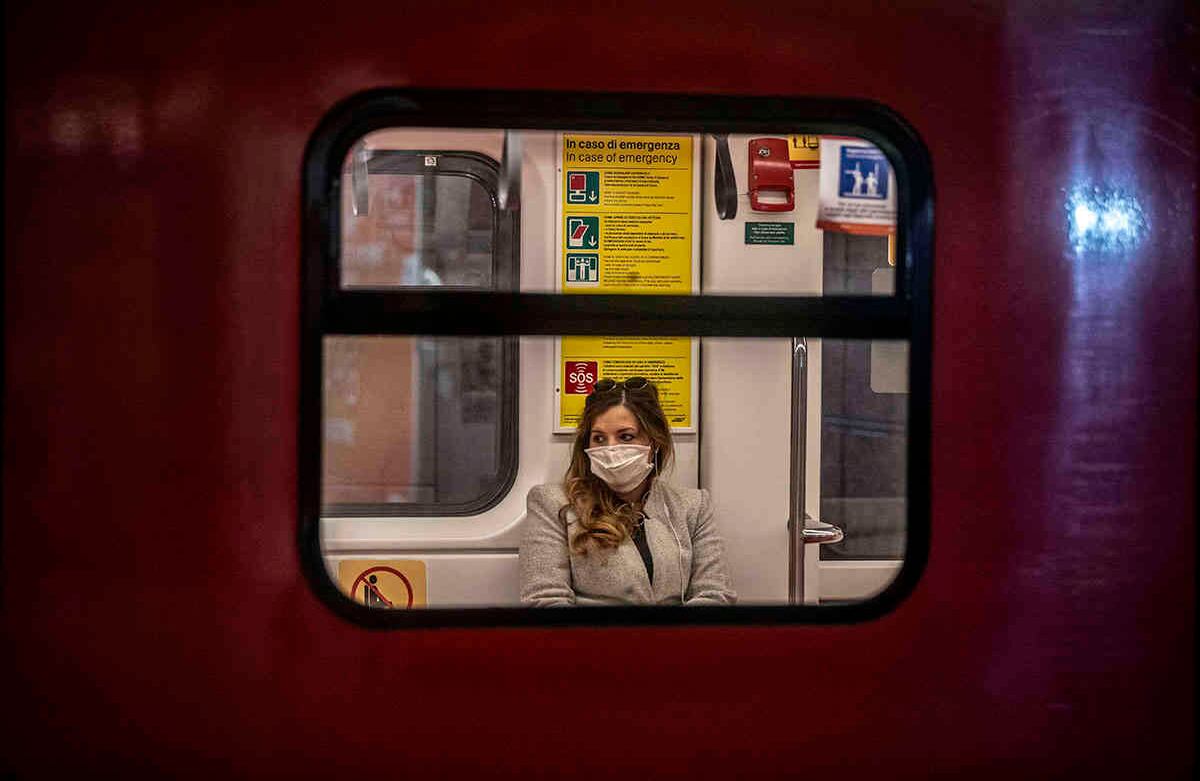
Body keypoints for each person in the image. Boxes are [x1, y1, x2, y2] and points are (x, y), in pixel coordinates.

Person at [519, 377, 736, 606]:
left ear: (653, 443)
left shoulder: (692, 506)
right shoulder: (552, 504)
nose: (610, 448)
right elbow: (544, 600)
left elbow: (715, 594)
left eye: (626, 437)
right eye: (599, 438)